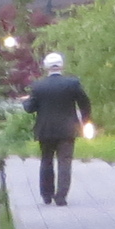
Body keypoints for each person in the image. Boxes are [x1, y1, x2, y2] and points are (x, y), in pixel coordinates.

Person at [23, 52, 92, 207]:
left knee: (46, 161)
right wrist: (85, 121)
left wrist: (25, 102)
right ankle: (61, 196)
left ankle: (46, 195)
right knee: (64, 162)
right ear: (61, 65)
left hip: (45, 129)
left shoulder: (38, 86)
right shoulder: (72, 84)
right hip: (67, 129)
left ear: (46, 66)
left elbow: (30, 108)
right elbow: (85, 103)